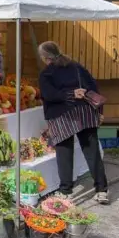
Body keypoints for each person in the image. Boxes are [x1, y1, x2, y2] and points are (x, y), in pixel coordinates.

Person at [37, 41, 109, 204]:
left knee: (64, 153)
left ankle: (66, 192)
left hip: (62, 115)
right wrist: (100, 112)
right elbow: (94, 89)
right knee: (92, 152)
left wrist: (68, 94)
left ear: (44, 57)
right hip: (85, 112)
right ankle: (102, 190)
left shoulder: (46, 74)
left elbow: (49, 95)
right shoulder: (77, 67)